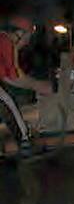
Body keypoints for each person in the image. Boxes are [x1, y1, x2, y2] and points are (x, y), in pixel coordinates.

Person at [0, 16, 53, 148]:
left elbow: (12, 75)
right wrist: (39, 86)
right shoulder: (6, 42)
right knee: (8, 104)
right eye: (28, 36)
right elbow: (13, 78)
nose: (28, 41)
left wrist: (35, 85)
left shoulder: (5, 41)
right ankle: (25, 142)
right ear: (19, 33)